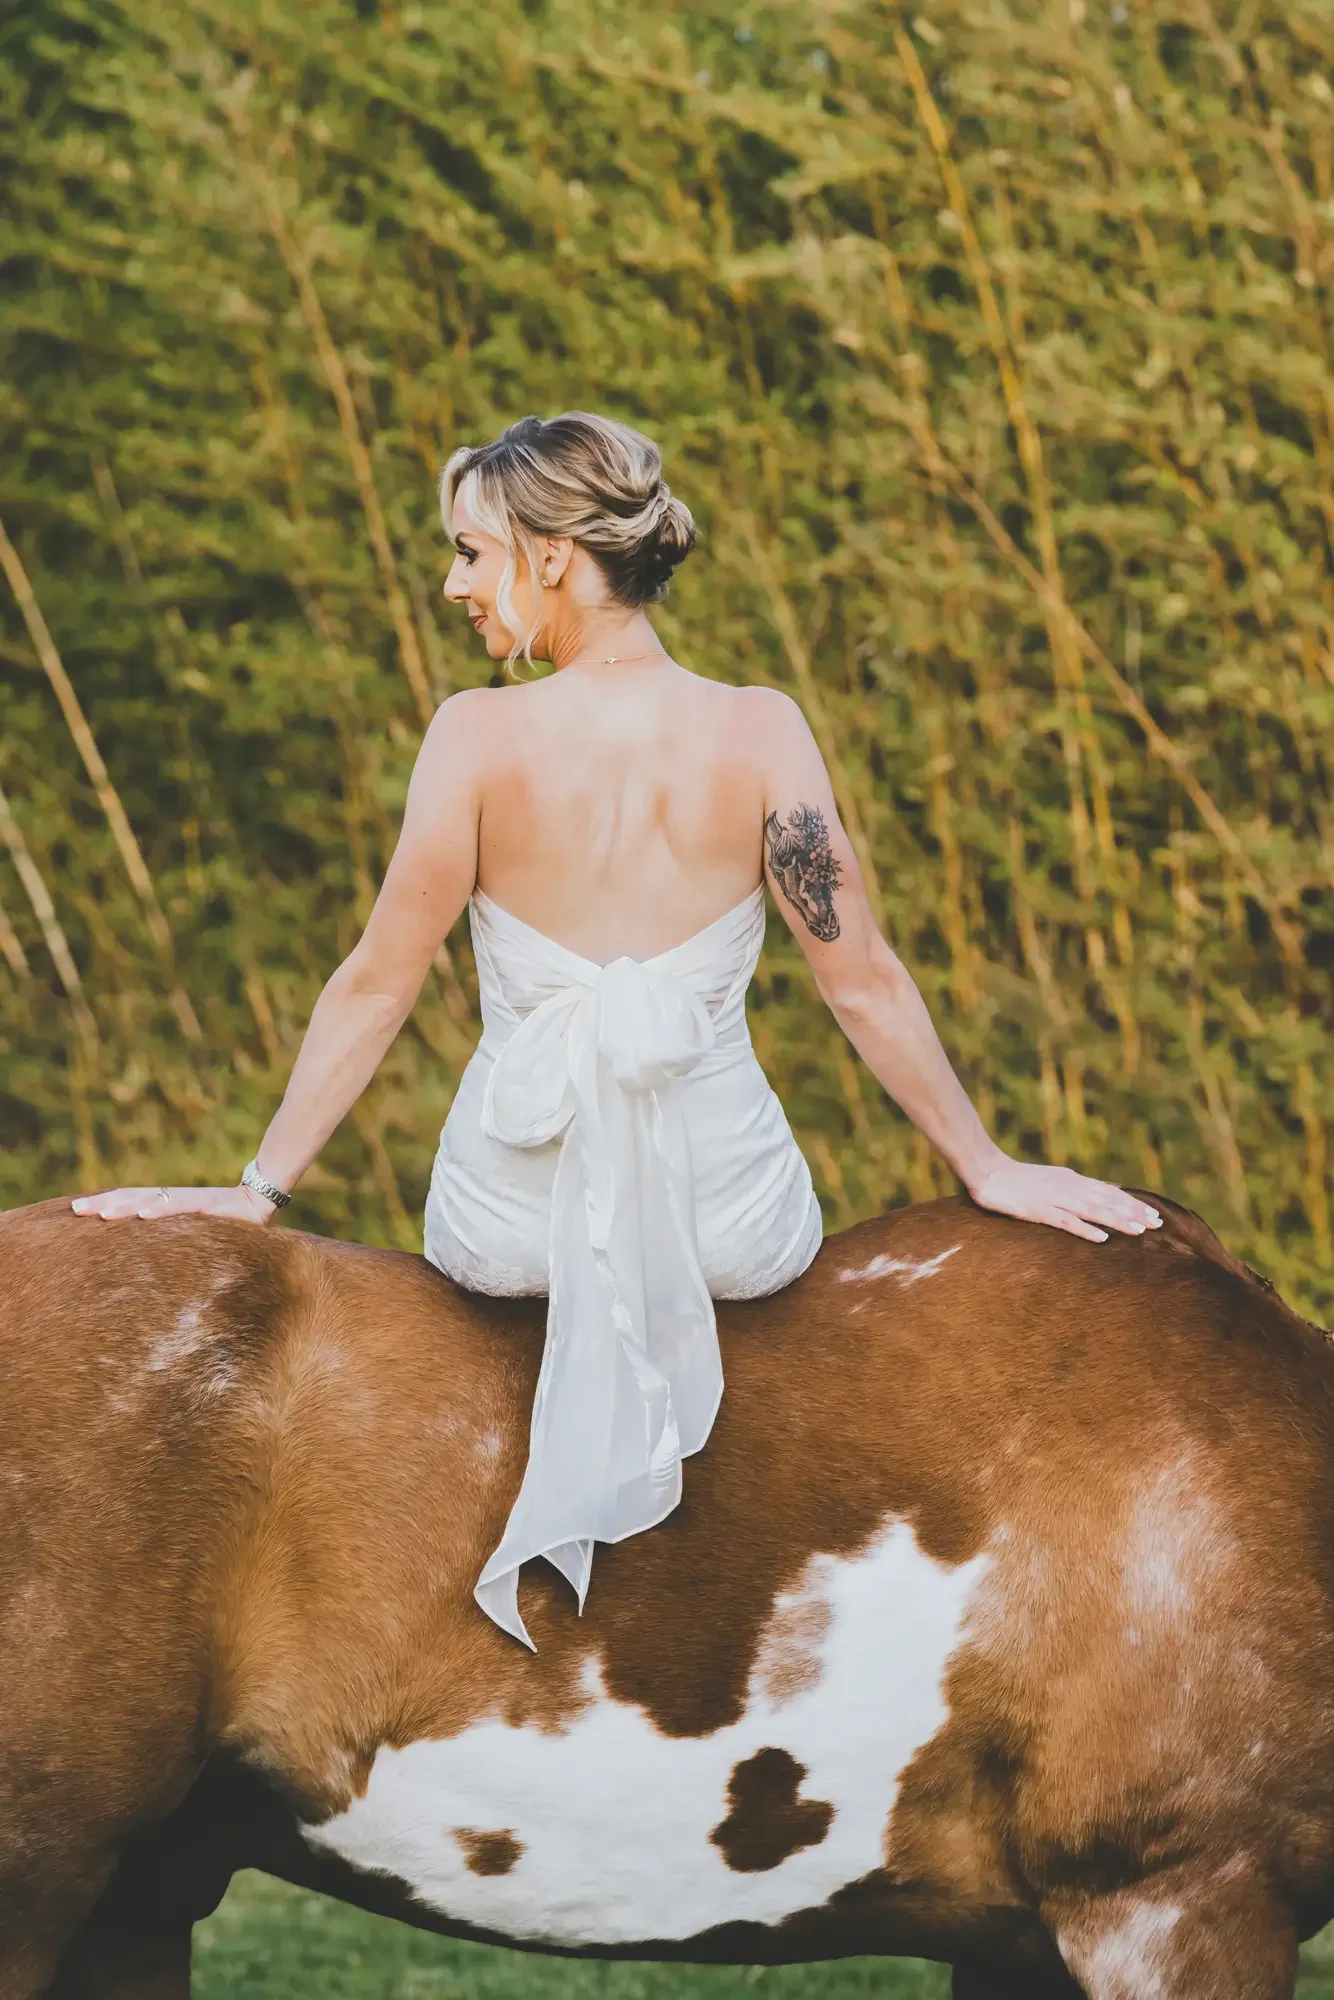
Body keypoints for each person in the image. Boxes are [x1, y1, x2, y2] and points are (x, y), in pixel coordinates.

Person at [72, 411, 1161, 1648]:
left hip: (506, 1222)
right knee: (757, 1212)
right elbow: (862, 979)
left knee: (482, 1216)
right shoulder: (762, 731)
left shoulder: (473, 739)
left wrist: (257, 1189)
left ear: (548, 555)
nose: (452, 585)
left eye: (471, 554)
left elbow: (379, 980)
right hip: (731, 1222)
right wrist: (986, 1164)